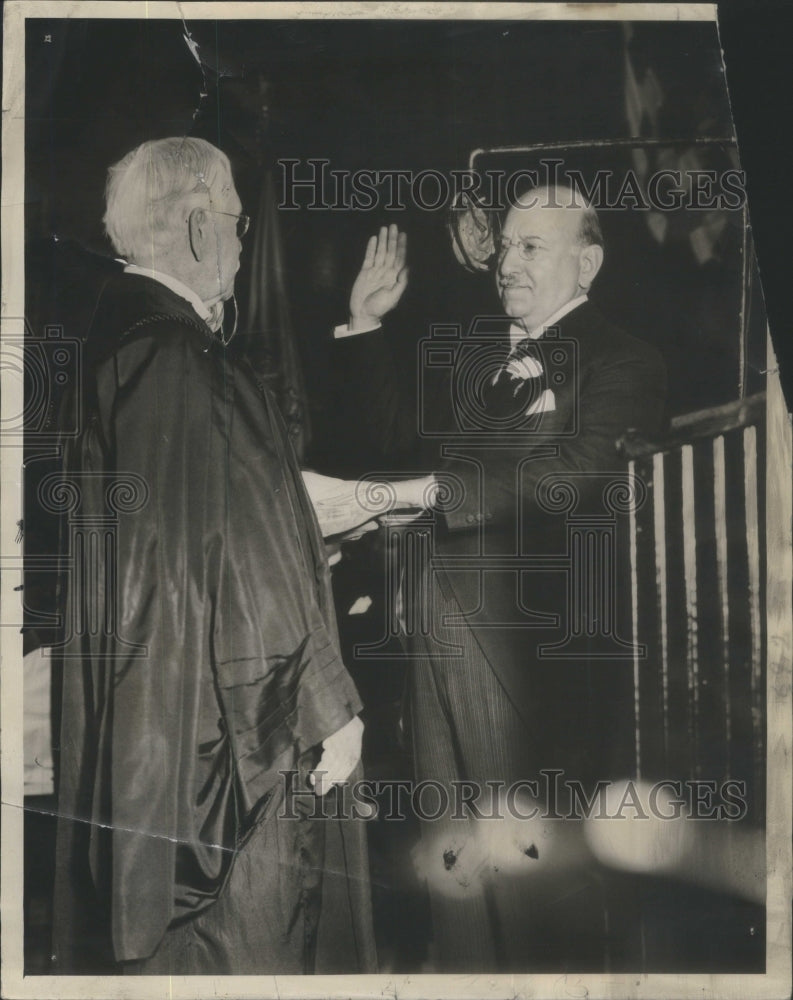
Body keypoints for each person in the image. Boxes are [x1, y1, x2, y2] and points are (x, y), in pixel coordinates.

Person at [52, 137, 376, 975]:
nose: (240, 243)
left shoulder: (119, 354)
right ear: (198, 229)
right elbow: (239, 565)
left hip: (150, 741)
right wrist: (327, 706)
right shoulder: (184, 360)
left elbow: (185, 543)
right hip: (228, 750)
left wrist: (295, 520)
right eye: (234, 224)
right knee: (249, 952)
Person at [334, 186, 668, 970]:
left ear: (586, 263)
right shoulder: (481, 357)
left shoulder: (624, 359)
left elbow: (576, 472)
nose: (504, 264)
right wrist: (366, 324)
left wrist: (432, 494)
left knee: (527, 892)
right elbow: (390, 441)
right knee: (455, 881)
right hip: (434, 648)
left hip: (525, 667)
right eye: (503, 246)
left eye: (530, 248)